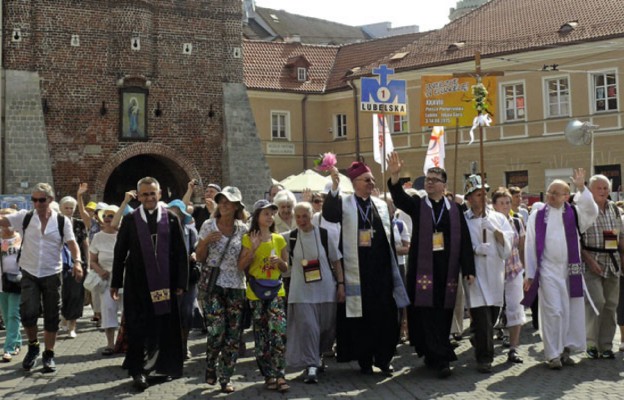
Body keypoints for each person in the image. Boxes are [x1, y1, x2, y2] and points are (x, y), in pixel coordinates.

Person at [387, 153, 475, 378]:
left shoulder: (455, 209)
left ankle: (438, 351)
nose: (429, 181)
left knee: (443, 313)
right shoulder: (418, 204)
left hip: (447, 269)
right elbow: (399, 198)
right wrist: (395, 176)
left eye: (435, 179)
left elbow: (464, 240)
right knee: (425, 312)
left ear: (444, 185)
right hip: (422, 269)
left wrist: (469, 269)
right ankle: (439, 356)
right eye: (428, 178)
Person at [322, 162, 409, 376]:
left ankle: (384, 358)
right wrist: (334, 188)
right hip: (357, 273)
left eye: (372, 179)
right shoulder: (345, 203)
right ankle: (365, 360)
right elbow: (330, 215)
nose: (372, 183)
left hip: (381, 274)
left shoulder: (380, 205)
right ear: (355, 183)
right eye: (367, 180)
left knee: (387, 318)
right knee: (362, 320)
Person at [111, 177, 188, 391]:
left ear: (160, 194)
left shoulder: (171, 219)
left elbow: (181, 253)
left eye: (152, 193)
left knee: (163, 325)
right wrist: (115, 282)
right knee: (137, 327)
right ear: (139, 196)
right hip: (137, 284)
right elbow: (120, 252)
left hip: (166, 283)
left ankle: (160, 368)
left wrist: (182, 282)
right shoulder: (131, 220)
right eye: (144, 194)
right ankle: (138, 371)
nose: (149, 197)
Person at [0, 183, 84, 373]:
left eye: (41, 200)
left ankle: (48, 354)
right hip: (29, 272)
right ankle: (33, 346)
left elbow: (72, 244)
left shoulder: (62, 221)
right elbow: (3, 221)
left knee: (52, 315)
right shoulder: (25, 217)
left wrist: (77, 262)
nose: (37, 203)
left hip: (52, 273)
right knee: (28, 314)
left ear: (51, 200)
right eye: (34, 200)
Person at [523, 169, 598, 369]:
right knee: (553, 310)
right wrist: (530, 274)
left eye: (555, 193)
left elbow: (591, 211)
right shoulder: (537, 215)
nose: (550, 196)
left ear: (566, 196)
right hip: (547, 271)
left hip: (570, 270)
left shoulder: (573, 213)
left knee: (570, 311)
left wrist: (582, 188)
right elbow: (530, 244)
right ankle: (552, 354)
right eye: (549, 192)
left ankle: (566, 349)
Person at [284, 202, 344, 384]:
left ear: (312, 215)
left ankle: (318, 356)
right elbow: (269, 242)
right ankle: (311, 365)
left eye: (305, 216)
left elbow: (336, 262)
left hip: (326, 290)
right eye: (298, 216)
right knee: (309, 327)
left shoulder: (325, 235)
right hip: (301, 292)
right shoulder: (289, 237)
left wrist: (341, 285)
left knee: (326, 328)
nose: (301, 220)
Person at [195, 186, 248, 394]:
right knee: (217, 330)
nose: (225, 204)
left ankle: (225, 376)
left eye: (229, 201)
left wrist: (250, 251)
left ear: (236, 206)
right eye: (222, 200)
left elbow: (243, 263)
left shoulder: (243, 228)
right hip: (213, 286)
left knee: (233, 335)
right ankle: (210, 364)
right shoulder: (208, 225)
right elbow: (199, 257)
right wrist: (206, 242)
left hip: (236, 285)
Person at [463, 174, 513, 373]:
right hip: (475, 273)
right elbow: (459, 245)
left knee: (491, 315)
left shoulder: (498, 218)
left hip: (494, 272)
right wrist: (475, 249)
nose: (482, 197)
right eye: (477, 194)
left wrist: (496, 232)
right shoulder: (464, 220)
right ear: (469, 198)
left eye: (484, 193)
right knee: (482, 316)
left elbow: (508, 246)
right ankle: (485, 358)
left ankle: (477, 335)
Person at [238, 199, 290, 393]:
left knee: (278, 332)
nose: (269, 217)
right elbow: (240, 266)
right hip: (256, 292)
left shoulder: (279, 239)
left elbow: (286, 268)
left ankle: (280, 375)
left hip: (276, 290)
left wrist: (279, 263)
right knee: (261, 336)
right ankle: (268, 375)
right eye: (265, 213)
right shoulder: (248, 238)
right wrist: (252, 248)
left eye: (271, 213)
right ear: (257, 216)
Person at [581, 174, 624, 359]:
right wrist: (590, 260)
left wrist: (621, 255)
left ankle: (605, 345)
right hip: (591, 261)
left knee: (610, 305)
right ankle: (590, 342)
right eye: (599, 188)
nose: (603, 191)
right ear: (590, 190)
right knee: (596, 301)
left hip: (611, 261)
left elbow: (616, 236)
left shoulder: (613, 209)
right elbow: (577, 240)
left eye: (605, 188)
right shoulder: (584, 209)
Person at [491, 188, 526, 363]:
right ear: (494, 205)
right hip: (494, 272)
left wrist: (526, 272)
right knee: (492, 309)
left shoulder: (517, 222)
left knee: (515, 307)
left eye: (508, 203)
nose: (505, 206)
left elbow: (521, 247)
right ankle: (485, 342)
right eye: (502, 203)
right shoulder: (490, 223)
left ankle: (513, 348)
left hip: (514, 270)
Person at [166, 199, 199, 362]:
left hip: (187, 278)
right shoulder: (162, 231)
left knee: (187, 312)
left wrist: (194, 255)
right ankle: (171, 346)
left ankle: (184, 344)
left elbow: (197, 249)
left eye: (176, 214)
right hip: (167, 278)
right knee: (169, 313)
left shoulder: (190, 231)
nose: (174, 217)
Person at [89, 205, 121, 356]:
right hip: (107, 279)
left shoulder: (124, 235)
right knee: (108, 309)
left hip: (125, 278)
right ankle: (110, 344)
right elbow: (93, 260)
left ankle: (127, 342)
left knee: (128, 311)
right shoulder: (98, 237)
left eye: (111, 216)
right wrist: (101, 271)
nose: (108, 219)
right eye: (106, 216)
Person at [58, 196, 89, 339]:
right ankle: (64, 315)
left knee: (76, 294)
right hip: (59, 264)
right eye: (66, 208)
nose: (69, 210)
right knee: (64, 294)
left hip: (77, 263)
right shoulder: (55, 223)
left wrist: (86, 263)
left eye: (71, 208)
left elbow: (85, 244)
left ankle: (72, 326)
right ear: (61, 208)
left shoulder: (79, 224)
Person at [0, 208, 23, 362]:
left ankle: (7, 348)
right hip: (1, 284)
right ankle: (17, 342)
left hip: (17, 282)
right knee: (6, 316)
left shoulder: (21, 238)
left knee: (13, 314)